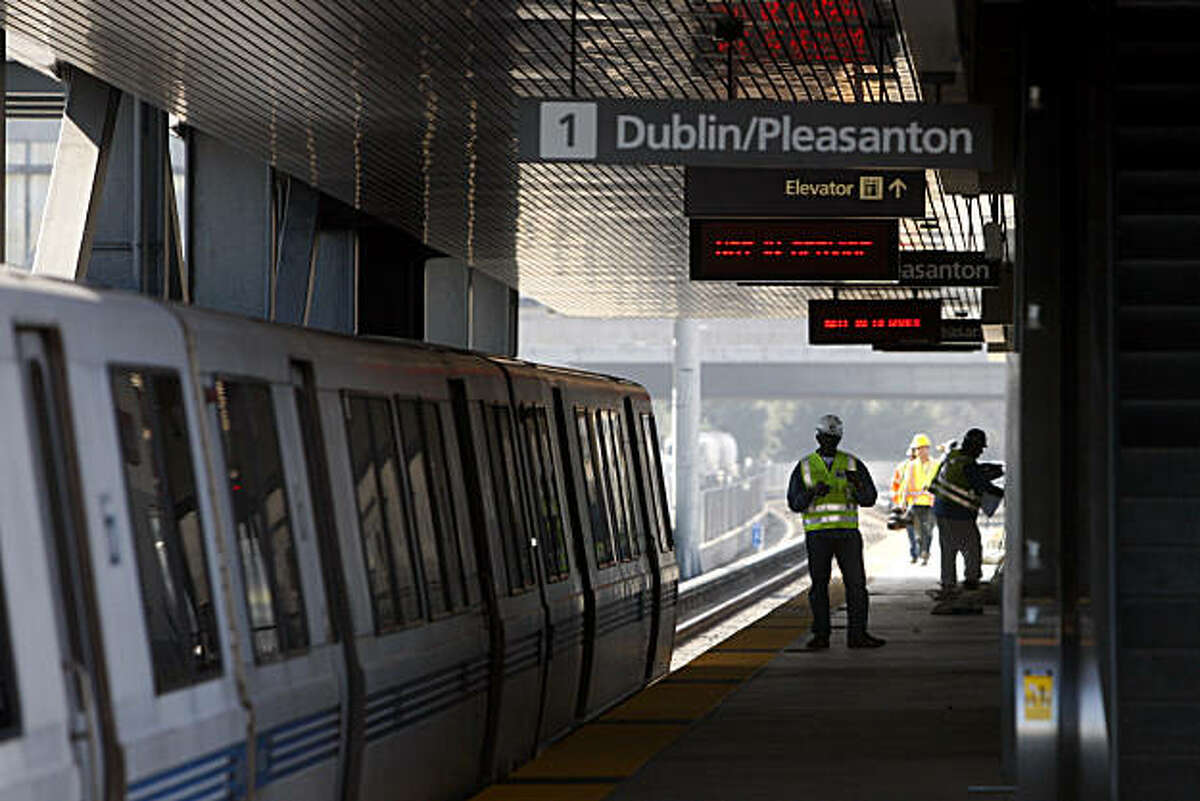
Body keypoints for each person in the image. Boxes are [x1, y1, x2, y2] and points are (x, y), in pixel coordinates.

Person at [787, 414, 886, 649]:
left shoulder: (852, 464)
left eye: (833, 438)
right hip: (818, 535)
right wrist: (812, 492)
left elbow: (869, 499)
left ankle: (857, 635)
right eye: (826, 437)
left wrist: (857, 484)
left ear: (839, 438)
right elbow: (795, 504)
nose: (830, 441)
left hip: (847, 535)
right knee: (819, 586)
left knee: (856, 585)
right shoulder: (805, 466)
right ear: (818, 437)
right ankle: (821, 636)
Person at [929, 428, 1003, 599]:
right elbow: (982, 485)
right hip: (958, 514)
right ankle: (971, 581)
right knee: (972, 548)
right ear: (973, 446)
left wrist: (990, 470)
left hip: (941, 511)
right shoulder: (968, 465)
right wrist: (1005, 492)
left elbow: (972, 473)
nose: (981, 452)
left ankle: (948, 583)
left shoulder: (952, 457)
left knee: (948, 549)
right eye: (980, 448)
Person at [901, 433, 939, 566]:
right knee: (918, 532)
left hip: (931, 503)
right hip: (916, 502)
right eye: (918, 449)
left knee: (928, 529)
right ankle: (921, 550)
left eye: (923, 448)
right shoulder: (912, 465)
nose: (921, 451)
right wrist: (904, 501)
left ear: (928, 449)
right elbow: (906, 484)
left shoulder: (936, 465)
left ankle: (925, 553)